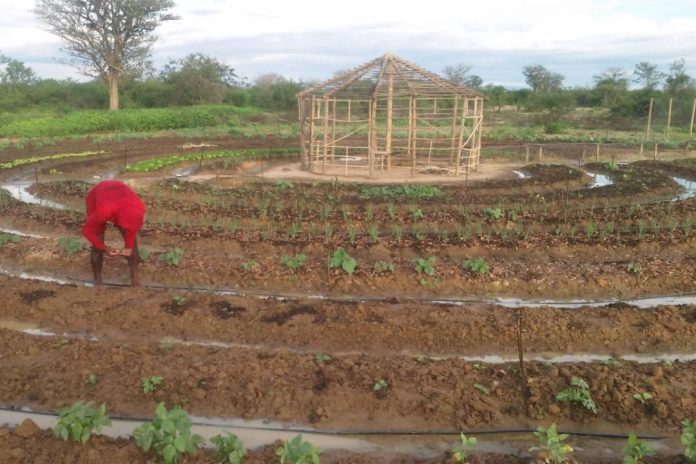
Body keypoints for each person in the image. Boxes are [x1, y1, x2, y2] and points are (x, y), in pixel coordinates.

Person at [82, 180, 145, 286]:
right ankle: (98, 281)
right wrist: (104, 248)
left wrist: (128, 248)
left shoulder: (139, 207)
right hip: (98, 197)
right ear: (119, 222)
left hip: (120, 201)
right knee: (98, 240)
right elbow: (88, 231)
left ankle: (135, 280)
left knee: (133, 244)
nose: (126, 231)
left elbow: (131, 230)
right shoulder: (103, 211)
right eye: (124, 228)